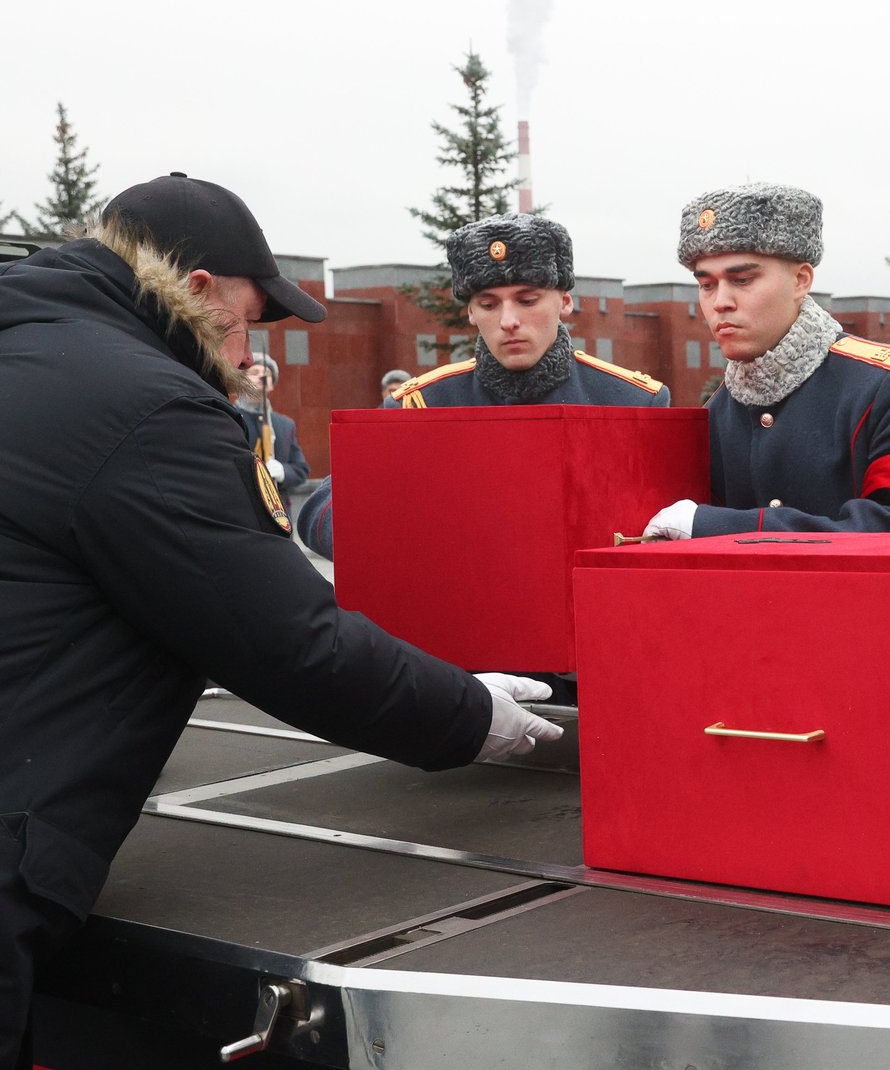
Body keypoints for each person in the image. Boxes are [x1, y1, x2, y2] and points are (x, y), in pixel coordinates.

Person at [0, 173, 563, 1068]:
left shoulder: (31, 348)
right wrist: (470, 713)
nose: (244, 344)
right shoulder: (144, 406)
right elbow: (285, 641)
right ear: (197, 290)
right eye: (248, 318)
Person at [298, 212, 670, 558]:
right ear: (471, 312)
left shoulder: (632, 402)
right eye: (489, 304)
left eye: (527, 300)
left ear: (566, 301)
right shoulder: (423, 406)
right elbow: (319, 515)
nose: (509, 320)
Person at [644, 183, 890, 539]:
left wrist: (714, 527)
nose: (720, 302)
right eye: (707, 285)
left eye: (742, 279)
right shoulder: (717, 410)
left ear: (801, 280)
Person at [237, 352, 311, 512]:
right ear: (241, 380)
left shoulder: (285, 424)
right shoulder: (230, 417)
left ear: (272, 384)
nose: (261, 377)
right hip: (243, 509)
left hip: (279, 511)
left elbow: (301, 469)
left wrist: (283, 471)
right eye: (255, 372)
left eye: (267, 374)